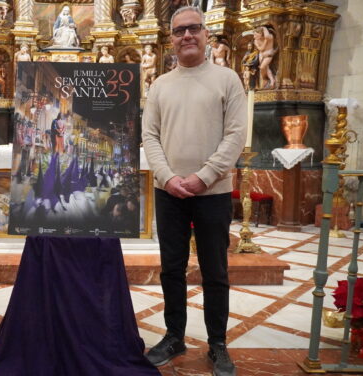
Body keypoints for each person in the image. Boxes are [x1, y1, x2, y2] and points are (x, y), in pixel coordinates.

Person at [141, 6, 246, 376]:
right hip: (168, 192)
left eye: (194, 29)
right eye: (179, 31)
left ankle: (217, 343)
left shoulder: (227, 79)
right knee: (172, 268)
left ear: (206, 35)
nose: (187, 36)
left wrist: (204, 176)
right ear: (170, 38)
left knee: (215, 270)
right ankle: (174, 335)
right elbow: (149, 136)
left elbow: (235, 135)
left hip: (213, 193)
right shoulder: (159, 85)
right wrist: (169, 177)